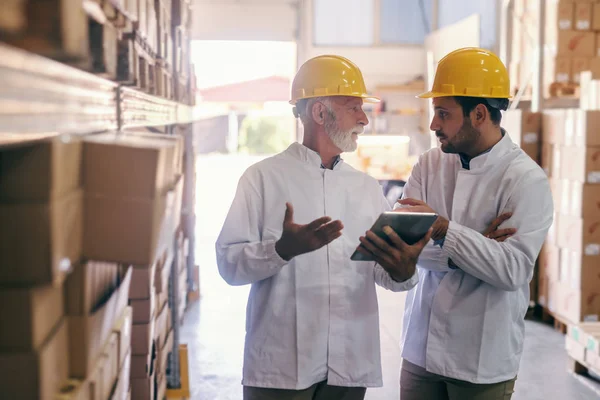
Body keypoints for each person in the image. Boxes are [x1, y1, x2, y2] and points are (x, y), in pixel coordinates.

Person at [215, 54, 431, 400]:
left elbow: (385, 274)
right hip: (281, 369)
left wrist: (404, 271)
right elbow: (228, 265)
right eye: (353, 108)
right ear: (319, 112)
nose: (364, 120)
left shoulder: (365, 188)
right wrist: (282, 250)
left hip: (348, 368)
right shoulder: (262, 179)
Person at [367, 47, 554, 399]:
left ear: (479, 114)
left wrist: (441, 229)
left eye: (443, 113)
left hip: (480, 360)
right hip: (420, 351)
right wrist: (475, 244)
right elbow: (406, 247)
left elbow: (511, 271)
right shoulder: (429, 164)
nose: (434, 124)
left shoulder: (525, 181)